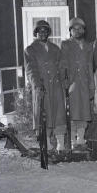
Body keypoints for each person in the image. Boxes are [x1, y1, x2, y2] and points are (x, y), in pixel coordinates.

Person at [24, 20, 66, 151]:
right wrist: (37, 85)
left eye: (45, 31)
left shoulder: (55, 48)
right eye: (40, 31)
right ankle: (46, 143)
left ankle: (61, 143)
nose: (43, 33)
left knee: (59, 114)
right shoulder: (30, 50)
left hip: (56, 86)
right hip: (42, 87)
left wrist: (64, 81)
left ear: (49, 33)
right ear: (36, 33)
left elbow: (62, 66)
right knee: (44, 114)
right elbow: (31, 70)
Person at [59, 18, 94, 149]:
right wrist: (66, 81)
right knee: (73, 112)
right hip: (72, 83)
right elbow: (62, 64)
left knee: (84, 111)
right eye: (74, 29)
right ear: (70, 31)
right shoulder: (66, 44)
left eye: (80, 29)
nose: (78, 31)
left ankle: (81, 140)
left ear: (84, 30)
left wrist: (92, 85)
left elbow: (90, 65)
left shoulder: (88, 45)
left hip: (84, 82)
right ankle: (73, 141)